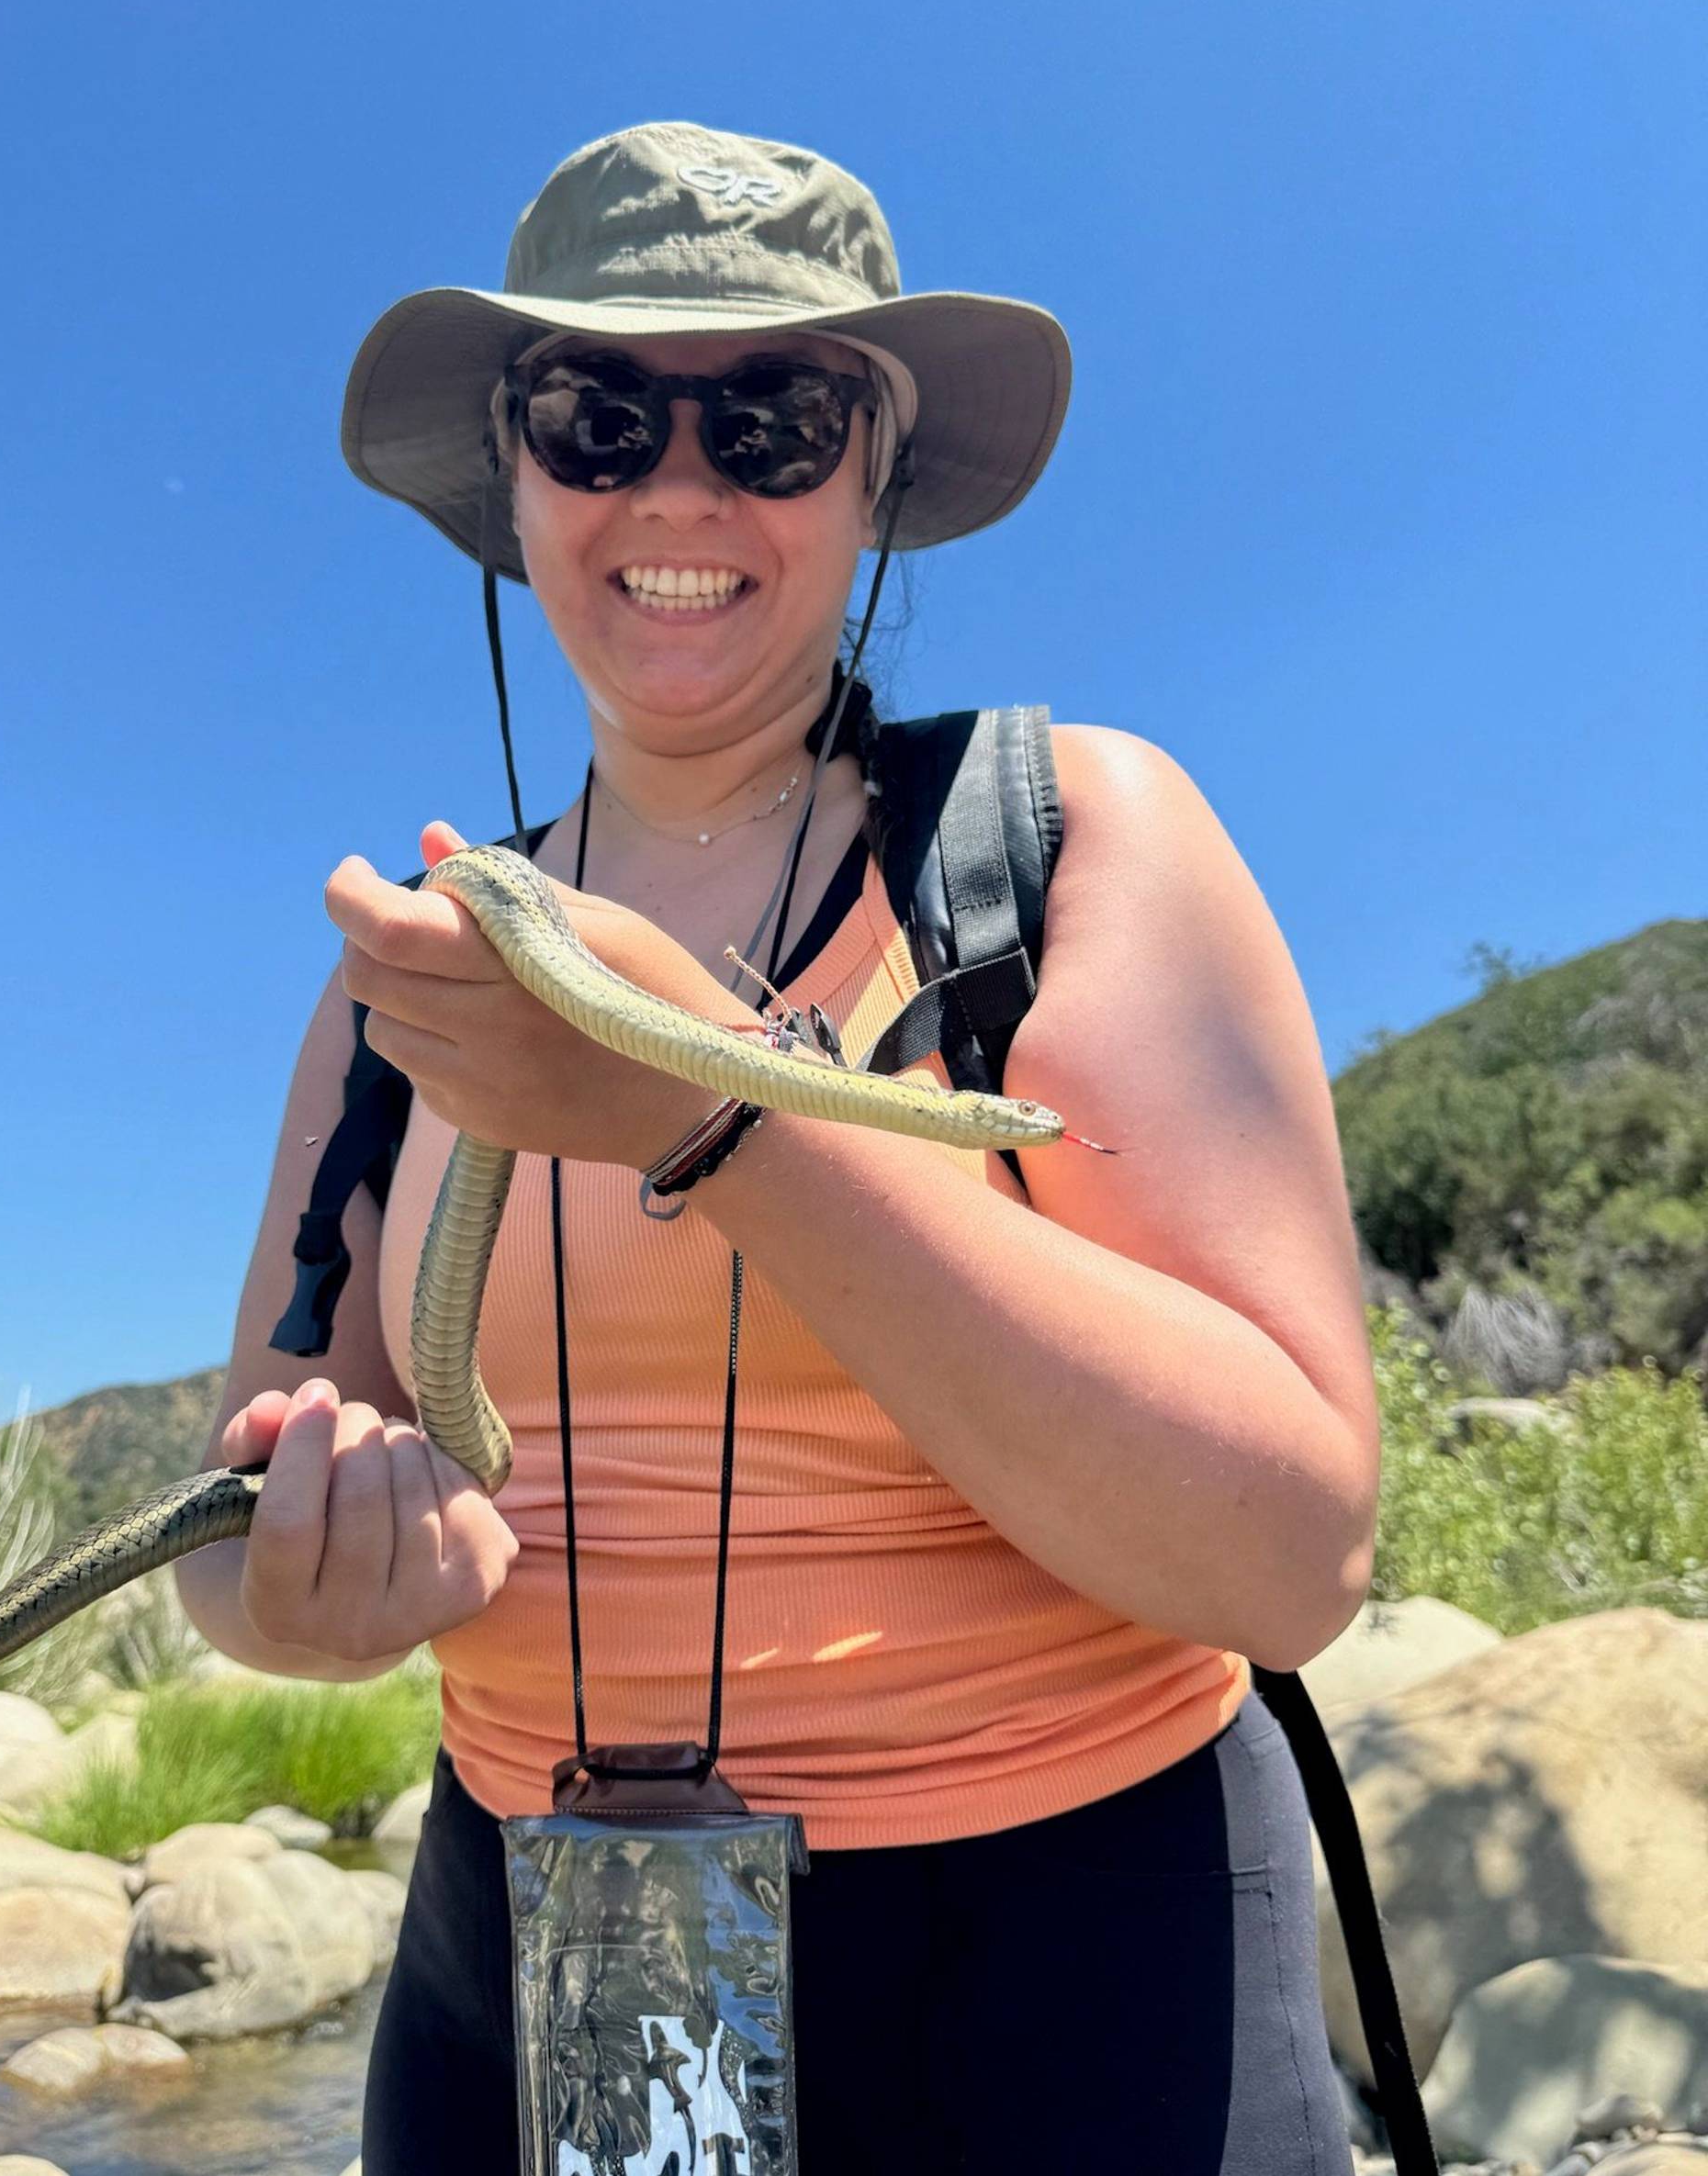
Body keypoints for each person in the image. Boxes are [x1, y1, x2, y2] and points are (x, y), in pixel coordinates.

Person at [176, 122, 1378, 2173]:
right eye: (596, 414)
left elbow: (1291, 1558)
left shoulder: (1066, 840)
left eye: (774, 421)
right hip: (528, 1942)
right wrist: (316, 1581)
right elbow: (240, 1521)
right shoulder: (413, 974)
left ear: (875, 475)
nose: (676, 487)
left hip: (1085, 1944)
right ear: (515, 472)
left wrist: (707, 1105)